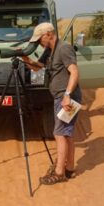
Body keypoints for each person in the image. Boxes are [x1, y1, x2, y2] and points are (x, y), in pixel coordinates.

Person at [21, 22, 82, 185]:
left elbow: (74, 72)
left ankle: (59, 172)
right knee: (66, 133)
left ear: (48, 34)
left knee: (59, 133)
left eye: (39, 39)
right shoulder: (49, 50)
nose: (39, 42)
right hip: (60, 98)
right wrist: (25, 59)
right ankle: (69, 168)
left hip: (67, 98)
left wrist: (68, 96)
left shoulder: (64, 48)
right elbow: (37, 67)